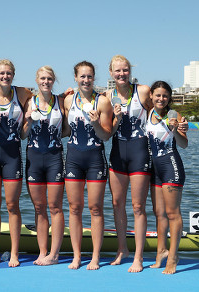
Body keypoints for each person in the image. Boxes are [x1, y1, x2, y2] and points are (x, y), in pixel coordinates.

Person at [0, 60, 32, 267]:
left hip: (12, 154)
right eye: (2, 73)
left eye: (9, 73)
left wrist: (67, 94)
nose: (5, 76)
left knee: (12, 205)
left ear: (13, 75)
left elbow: (45, 96)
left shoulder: (21, 94)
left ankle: (14, 253)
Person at [62, 61, 113, 270]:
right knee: (74, 208)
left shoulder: (102, 102)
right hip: (73, 157)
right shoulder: (67, 100)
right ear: (75, 77)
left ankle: (95, 256)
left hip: (95, 158)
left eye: (89, 76)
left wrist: (95, 123)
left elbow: (106, 135)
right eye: (82, 76)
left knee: (95, 208)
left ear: (94, 78)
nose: (86, 80)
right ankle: (76, 255)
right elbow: (65, 130)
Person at [106, 55, 153, 272]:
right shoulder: (107, 96)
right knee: (117, 204)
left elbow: (162, 106)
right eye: (117, 71)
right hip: (117, 152)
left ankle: (139, 256)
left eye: (125, 70)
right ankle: (122, 248)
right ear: (111, 73)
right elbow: (108, 130)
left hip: (139, 151)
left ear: (130, 71)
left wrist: (176, 121)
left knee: (137, 206)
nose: (121, 74)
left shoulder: (142, 91)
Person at [22, 66, 65, 266]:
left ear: (53, 80)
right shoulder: (29, 102)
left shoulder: (61, 101)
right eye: (42, 78)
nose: (45, 81)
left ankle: (54, 254)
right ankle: (42, 251)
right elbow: (22, 134)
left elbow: (65, 131)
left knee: (55, 207)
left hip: (55, 158)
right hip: (34, 157)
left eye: (49, 78)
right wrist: (28, 121)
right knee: (39, 208)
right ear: (37, 80)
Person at [146, 81, 188, 274]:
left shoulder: (175, 116)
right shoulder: (148, 112)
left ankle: (173, 256)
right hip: (155, 168)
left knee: (173, 213)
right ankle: (160, 251)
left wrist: (177, 129)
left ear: (169, 98)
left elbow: (184, 144)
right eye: (158, 95)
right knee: (159, 212)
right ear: (151, 96)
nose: (161, 99)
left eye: (165, 96)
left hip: (171, 166)